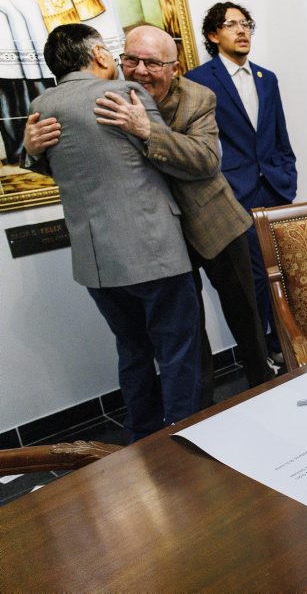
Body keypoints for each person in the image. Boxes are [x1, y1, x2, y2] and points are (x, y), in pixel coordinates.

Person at [25, 25, 276, 407]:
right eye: (131, 59)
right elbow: (84, 161)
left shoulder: (198, 97)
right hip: (156, 237)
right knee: (187, 332)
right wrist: (33, 152)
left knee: (244, 315)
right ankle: (200, 412)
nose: (140, 70)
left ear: (175, 67)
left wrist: (146, 130)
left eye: (153, 63)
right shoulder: (106, 95)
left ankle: (263, 384)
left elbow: (206, 160)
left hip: (212, 222)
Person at [26, 23, 200, 441]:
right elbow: (171, 158)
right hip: (153, 250)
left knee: (133, 349)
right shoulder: (123, 94)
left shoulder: (42, 105)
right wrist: (149, 129)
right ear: (100, 55)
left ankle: (142, 436)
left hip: (95, 262)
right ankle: (185, 436)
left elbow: (63, 162)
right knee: (178, 350)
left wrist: (29, 154)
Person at [186, 2, 297, 364]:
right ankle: (262, 353)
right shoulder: (197, 80)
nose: (242, 30)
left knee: (282, 271)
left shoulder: (267, 78)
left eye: (246, 23)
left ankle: (285, 344)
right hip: (233, 194)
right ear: (213, 35)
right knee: (253, 279)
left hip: (274, 190)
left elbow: (279, 134)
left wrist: (287, 175)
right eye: (231, 24)